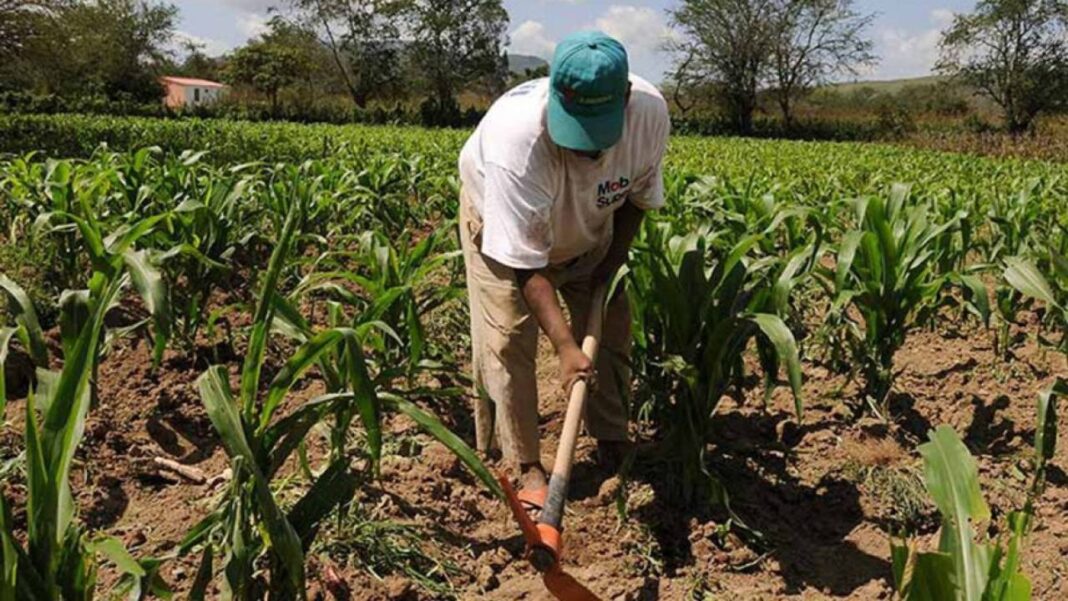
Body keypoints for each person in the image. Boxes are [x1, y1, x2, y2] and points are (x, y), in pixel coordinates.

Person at [457, 30, 670, 509]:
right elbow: (525, 267)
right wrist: (566, 346)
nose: (586, 151)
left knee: (613, 320)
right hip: (504, 231)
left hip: (593, 227)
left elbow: (636, 199)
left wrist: (608, 268)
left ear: (626, 101)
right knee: (509, 337)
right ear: (553, 94)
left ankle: (612, 435)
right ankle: (527, 464)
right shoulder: (518, 141)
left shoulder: (650, 114)